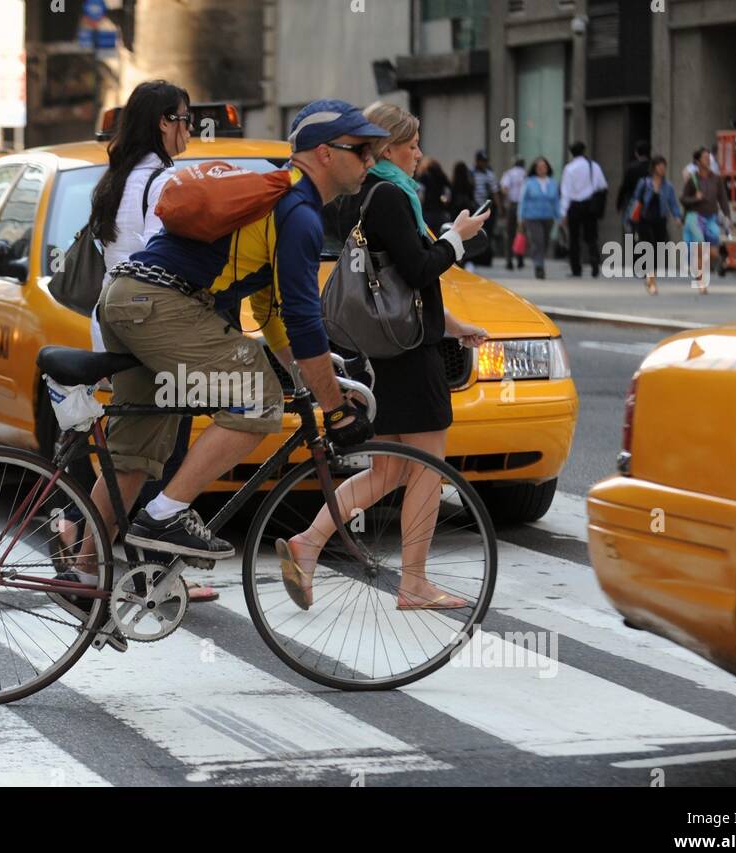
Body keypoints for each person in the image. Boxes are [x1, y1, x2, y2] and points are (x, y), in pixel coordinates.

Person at [71, 101, 466, 593]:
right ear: (324, 154)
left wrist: (310, 369)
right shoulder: (297, 213)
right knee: (257, 398)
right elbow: (301, 319)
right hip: (162, 306)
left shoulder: (279, 200)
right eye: (362, 149)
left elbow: (270, 310)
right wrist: (334, 408)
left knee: (136, 460)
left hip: (129, 300)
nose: (372, 158)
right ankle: (166, 515)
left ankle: (84, 575)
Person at [281, 102, 489, 611]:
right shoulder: (392, 196)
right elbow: (419, 270)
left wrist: (454, 326)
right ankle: (414, 583)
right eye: (413, 143)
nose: (420, 153)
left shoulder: (366, 195)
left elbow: (392, 282)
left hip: (386, 350)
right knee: (425, 469)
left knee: (387, 471)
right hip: (409, 357)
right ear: (390, 147)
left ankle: (308, 543)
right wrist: (455, 240)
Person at [56, 80, 217, 603]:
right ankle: (92, 568)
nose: (189, 129)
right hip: (149, 325)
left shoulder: (116, 179)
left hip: (114, 322)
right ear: (163, 123)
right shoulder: (162, 182)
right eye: (184, 119)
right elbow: (158, 261)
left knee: (135, 454)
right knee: (142, 456)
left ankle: (88, 565)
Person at [626, 155, 681, 295]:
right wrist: (630, 217)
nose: (662, 169)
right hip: (644, 220)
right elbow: (635, 200)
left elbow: (673, 203)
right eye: (660, 166)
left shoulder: (668, 186)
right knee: (649, 248)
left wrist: (677, 217)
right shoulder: (644, 183)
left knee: (657, 251)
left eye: (664, 166)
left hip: (660, 221)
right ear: (654, 167)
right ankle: (652, 282)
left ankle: (650, 277)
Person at [679, 146, 730, 294]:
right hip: (696, 217)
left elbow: (723, 199)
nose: (708, 160)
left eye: (709, 158)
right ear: (698, 161)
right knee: (701, 248)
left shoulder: (716, 178)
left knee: (713, 252)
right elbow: (683, 199)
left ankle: (704, 268)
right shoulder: (692, 179)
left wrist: (727, 216)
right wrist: (695, 198)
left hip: (711, 218)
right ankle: (701, 283)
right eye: (705, 158)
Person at [559, 141, 608, 277]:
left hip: (574, 206)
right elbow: (602, 185)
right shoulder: (594, 166)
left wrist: (563, 212)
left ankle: (576, 269)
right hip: (590, 205)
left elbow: (565, 192)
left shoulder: (569, 168)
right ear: (584, 150)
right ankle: (594, 263)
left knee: (574, 238)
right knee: (591, 236)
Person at [517, 156, 560, 280]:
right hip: (532, 217)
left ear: (547, 168)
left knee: (545, 242)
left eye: (544, 166)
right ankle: (538, 265)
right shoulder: (529, 182)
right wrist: (520, 218)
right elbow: (522, 201)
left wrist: (559, 217)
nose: (542, 169)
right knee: (538, 240)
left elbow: (556, 201)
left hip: (548, 217)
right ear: (535, 169)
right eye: (539, 167)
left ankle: (539, 259)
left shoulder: (552, 182)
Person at [471, 149, 497, 266]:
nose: (483, 164)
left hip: (486, 208)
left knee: (487, 233)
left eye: (485, 161)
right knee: (474, 233)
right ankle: (475, 257)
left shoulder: (489, 174)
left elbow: (494, 191)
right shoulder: (471, 173)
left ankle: (486, 257)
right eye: (482, 161)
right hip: (474, 207)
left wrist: (499, 208)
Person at [500, 157, 526, 270]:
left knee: (509, 233)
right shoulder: (526, 174)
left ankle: (509, 260)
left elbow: (504, 188)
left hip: (512, 205)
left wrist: (506, 200)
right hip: (523, 206)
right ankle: (520, 258)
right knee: (521, 233)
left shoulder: (509, 174)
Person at [616, 140, 650, 228]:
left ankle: (630, 241)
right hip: (649, 202)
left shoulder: (631, 168)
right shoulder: (652, 167)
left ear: (636, 153)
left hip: (633, 202)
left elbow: (624, 187)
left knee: (630, 226)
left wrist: (619, 204)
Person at [416, 158, 451, 235]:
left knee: (429, 237)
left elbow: (421, 195)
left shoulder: (423, 178)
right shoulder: (442, 177)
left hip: (427, 212)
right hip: (441, 213)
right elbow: (447, 194)